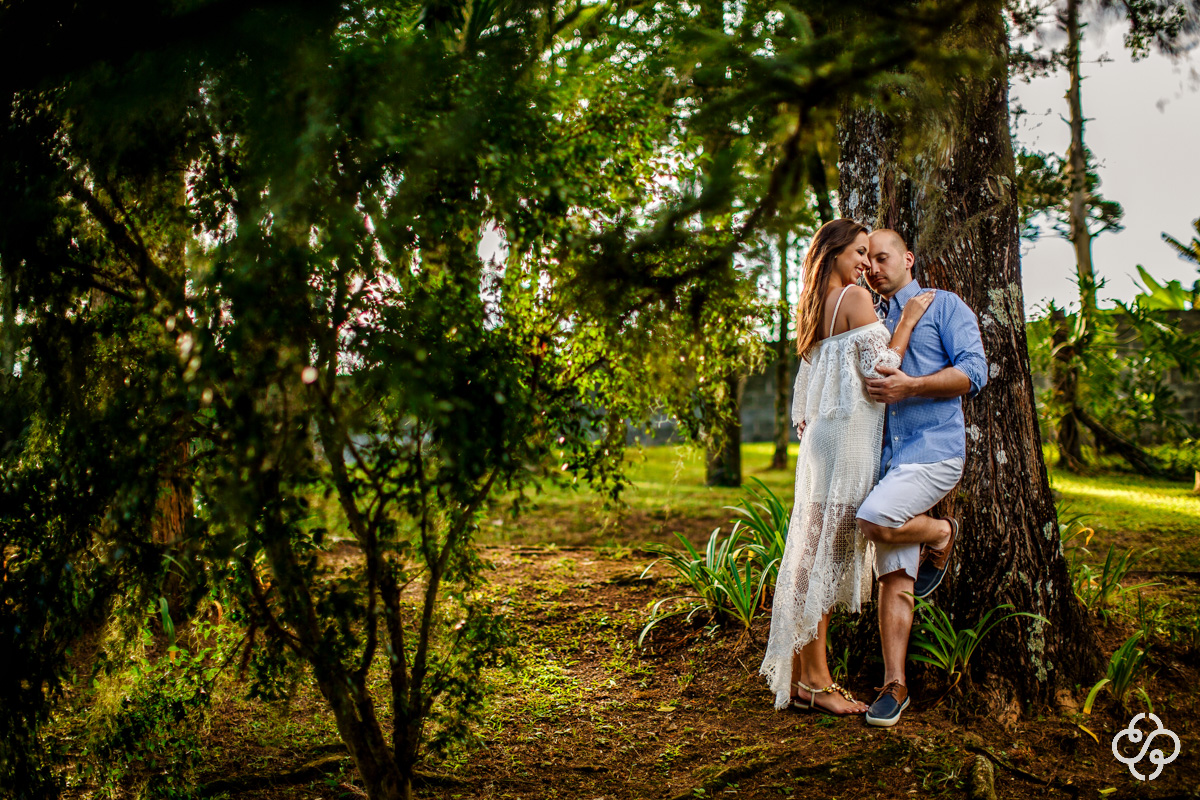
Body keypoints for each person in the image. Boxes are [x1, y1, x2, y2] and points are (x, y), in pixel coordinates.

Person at [759, 219, 934, 715]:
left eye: (869, 254)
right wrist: (909, 319)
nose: (864, 263)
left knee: (811, 555)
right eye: (858, 252)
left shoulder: (813, 308)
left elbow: (804, 394)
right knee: (826, 558)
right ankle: (815, 680)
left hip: (822, 438)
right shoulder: (855, 299)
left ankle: (801, 674)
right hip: (847, 439)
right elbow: (885, 369)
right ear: (834, 252)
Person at [856, 228, 988, 728]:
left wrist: (912, 386)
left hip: (934, 453)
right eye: (867, 261)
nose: (874, 268)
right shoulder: (871, 320)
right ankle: (896, 684)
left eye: (883, 258)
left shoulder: (944, 305)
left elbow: (975, 371)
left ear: (908, 259)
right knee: (893, 574)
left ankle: (940, 531)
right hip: (888, 464)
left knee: (873, 520)